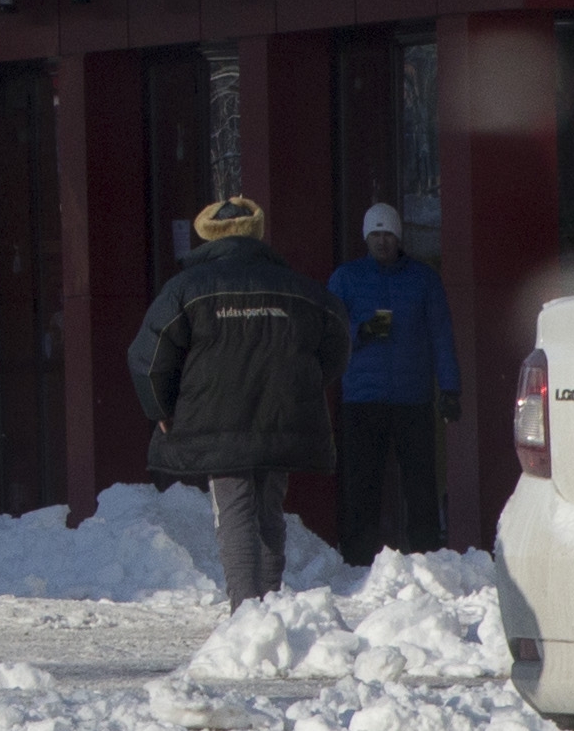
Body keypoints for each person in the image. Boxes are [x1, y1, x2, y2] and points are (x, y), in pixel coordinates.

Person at [131, 195, 350, 605]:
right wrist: (304, 385)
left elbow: (149, 356)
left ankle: (245, 613)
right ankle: (268, 608)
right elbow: (337, 343)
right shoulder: (302, 290)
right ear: (256, 234)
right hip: (282, 418)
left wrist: (160, 408)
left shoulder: (186, 289)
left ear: (209, 236)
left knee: (232, 514)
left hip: (214, 421)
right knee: (270, 512)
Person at [327, 200, 459, 557]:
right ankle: (357, 558)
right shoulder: (346, 278)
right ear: (366, 238)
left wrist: (450, 388)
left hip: (412, 397)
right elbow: (329, 332)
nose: (382, 241)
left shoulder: (423, 279)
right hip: (362, 397)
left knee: (420, 484)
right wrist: (362, 331)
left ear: (399, 237)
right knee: (362, 483)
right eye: (375, 234)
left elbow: (441, 334)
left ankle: (427, 554)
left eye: (388, 234)